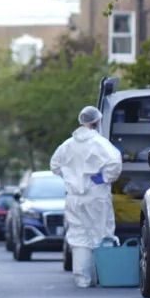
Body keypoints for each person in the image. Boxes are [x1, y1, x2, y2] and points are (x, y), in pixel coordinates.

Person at [50, 105, 123, 288]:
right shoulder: (100, 143)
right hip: (96, 195)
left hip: (74, 197)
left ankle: (83, 279)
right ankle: (102, 276)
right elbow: (115, 162)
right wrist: (104, 177)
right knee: (101, 234)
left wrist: (70, 176)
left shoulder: (68, 145)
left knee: (78, 236)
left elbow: (55, 165)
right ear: (97, 122)